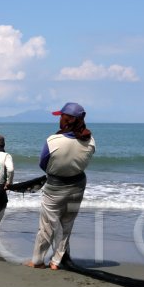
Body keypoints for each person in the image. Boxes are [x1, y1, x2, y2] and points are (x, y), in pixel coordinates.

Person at [27, 103, 96, 270]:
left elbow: (43, 164)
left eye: (61, 116)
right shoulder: (91, 140)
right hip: (78, 186)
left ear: (66, 120)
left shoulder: (53, 140)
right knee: (67, 224)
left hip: (55, 188)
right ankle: (56, 262)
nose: (59, 119)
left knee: (47, 225)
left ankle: (37, 261)